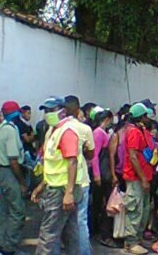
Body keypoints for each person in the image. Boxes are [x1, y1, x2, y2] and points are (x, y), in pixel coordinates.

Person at [31, 97, 81, 254]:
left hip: (61, 190)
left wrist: (69, 193)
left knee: (48, 235)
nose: (47, 114)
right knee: (70, 234)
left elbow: (72, 162)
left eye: (51, 110)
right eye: (45, 111)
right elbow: (54, 164)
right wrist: (42, 185)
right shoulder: (54, 131)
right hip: (58, 187)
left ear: (63, 111)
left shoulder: (66, 132)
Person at [0, 101, 27, 255]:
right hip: (10, 172)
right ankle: (10, 247)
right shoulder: (11, 130)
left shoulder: (1, 127)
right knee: (18, 211)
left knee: (6, 211)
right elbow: (13, 160)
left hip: (2, 171)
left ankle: (1, 245)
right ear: (16, 114)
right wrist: (22, 183)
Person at [63, 95, 95, 255]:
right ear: (78, 110)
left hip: (61, 180)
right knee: (81, 220)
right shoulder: (84, 128)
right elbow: (91, 154)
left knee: (61, 222)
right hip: (80, 179)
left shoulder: (57, 128)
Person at [123, 103, 154, 255]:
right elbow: (133, 157)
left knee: (144, 210)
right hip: (136, 179)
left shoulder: (139, 130)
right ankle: (131, 242)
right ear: (141, 117)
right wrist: (143, 178)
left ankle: (138, 237)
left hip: (143, 177)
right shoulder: (134, 132)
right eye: (145, 116)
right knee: (135, 210)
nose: (147, 119)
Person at [90, 107, 120, 248]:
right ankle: (103, 234)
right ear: (106, 120)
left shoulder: (103, 133)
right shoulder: (99, 133)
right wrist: (97, 175)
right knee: (102, 204)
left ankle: (96, 230)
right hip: (102, 174)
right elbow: (95, 156)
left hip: (104, 173)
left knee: (99, 203)